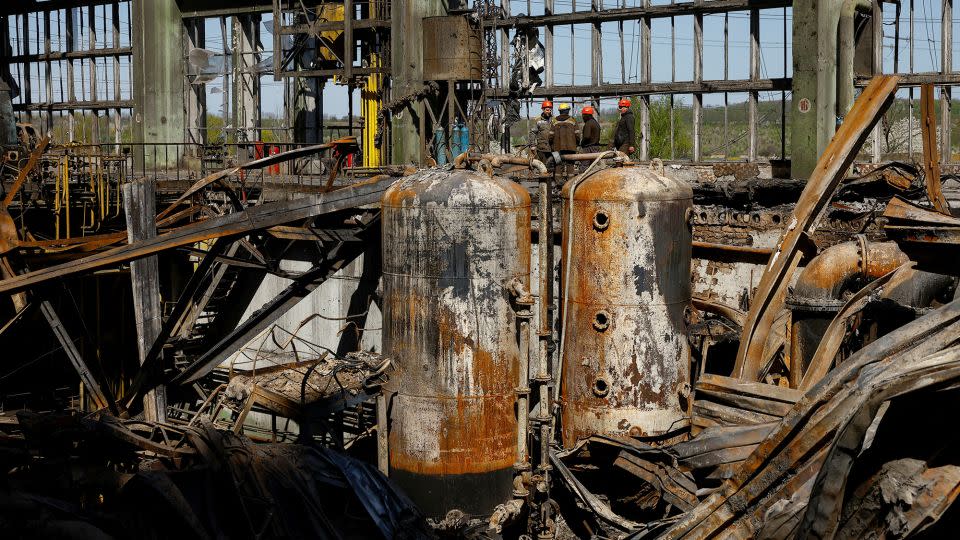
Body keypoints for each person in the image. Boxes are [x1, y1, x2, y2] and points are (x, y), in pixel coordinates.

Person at [550, 103, 580, 174]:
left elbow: (550, 136)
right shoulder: (573, 120)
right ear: (568, 110)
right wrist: (576, 144)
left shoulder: (554, 121)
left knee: (558, 165)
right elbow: (577, 135)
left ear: (560, 111)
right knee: (570, 165)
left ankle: (558, 183)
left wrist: (552, 146)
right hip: (571, 148)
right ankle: (570, 183)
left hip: (557, 148)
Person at [529, 100, 554, 166]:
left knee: (554, 166)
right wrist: (532, 145)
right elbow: (533, 133)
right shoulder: (538, 120)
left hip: (553, 148)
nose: (549, 111)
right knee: (543, 166)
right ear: (543, 109)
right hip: (542, 148)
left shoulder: (554, 120)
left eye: (550, 110)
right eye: (547, 110)